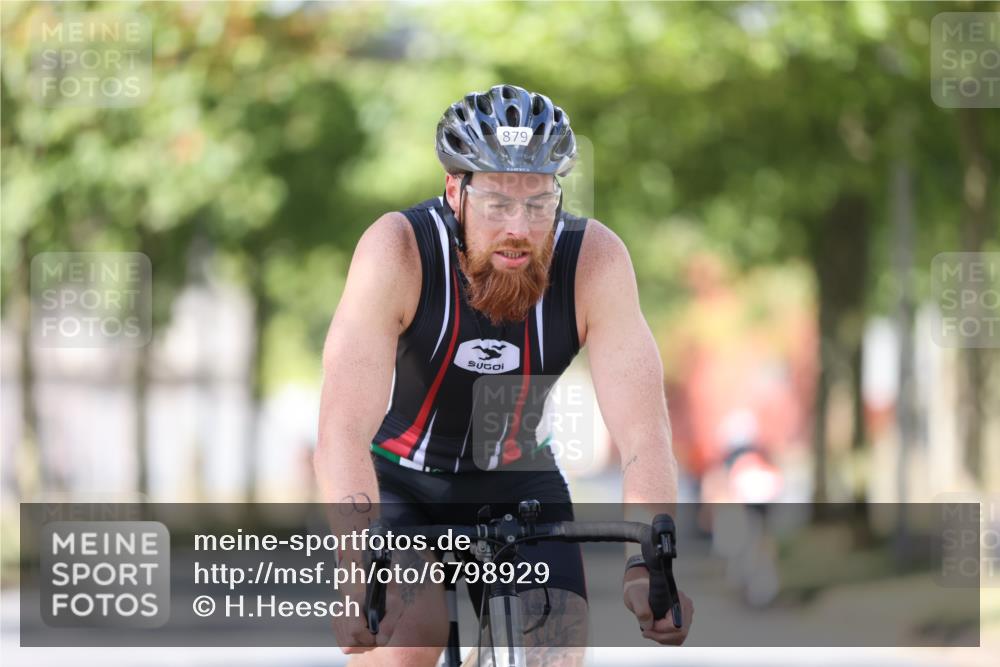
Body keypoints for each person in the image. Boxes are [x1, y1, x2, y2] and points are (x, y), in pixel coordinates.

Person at [315, 84, 693, 666]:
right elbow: (341, 427)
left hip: (520, 487)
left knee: (553, 655)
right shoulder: (397, 252)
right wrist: (355, 566)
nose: (518, 227)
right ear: (455, 192)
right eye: (497, 203)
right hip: (401, 484)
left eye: (538, 203)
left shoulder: (594, 261)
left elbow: (645, 435)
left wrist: (648, 566)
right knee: (406, 635)